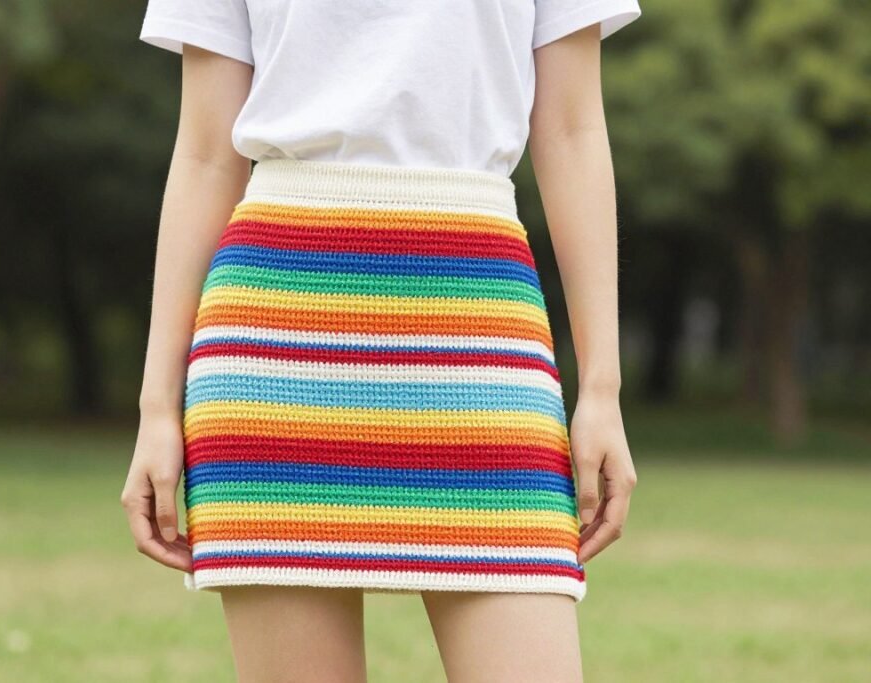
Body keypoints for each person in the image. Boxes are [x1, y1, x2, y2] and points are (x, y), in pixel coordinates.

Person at [121, 1, 641, 681]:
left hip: (481, 335)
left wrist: (603, 387)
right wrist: (156, 405)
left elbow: (572, 130)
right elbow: (205, 153)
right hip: (278, 348)